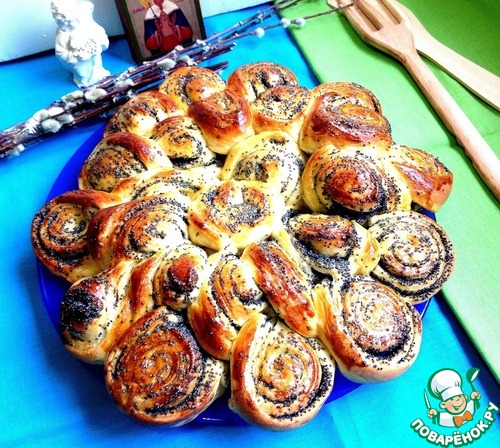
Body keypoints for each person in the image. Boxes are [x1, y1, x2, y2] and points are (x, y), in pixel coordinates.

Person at [51, 0, 110, 87]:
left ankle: (100, 74)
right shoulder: (62, 34)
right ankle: (83, 81)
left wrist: (96, 43)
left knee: (97, 64)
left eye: (73, 20)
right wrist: (73, 58)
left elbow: (98, 34)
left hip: (93, 53)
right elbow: (60, 52)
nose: (71, 24)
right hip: (78, 61)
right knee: (82, 73)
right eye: (67, 22)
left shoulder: (85, 25)